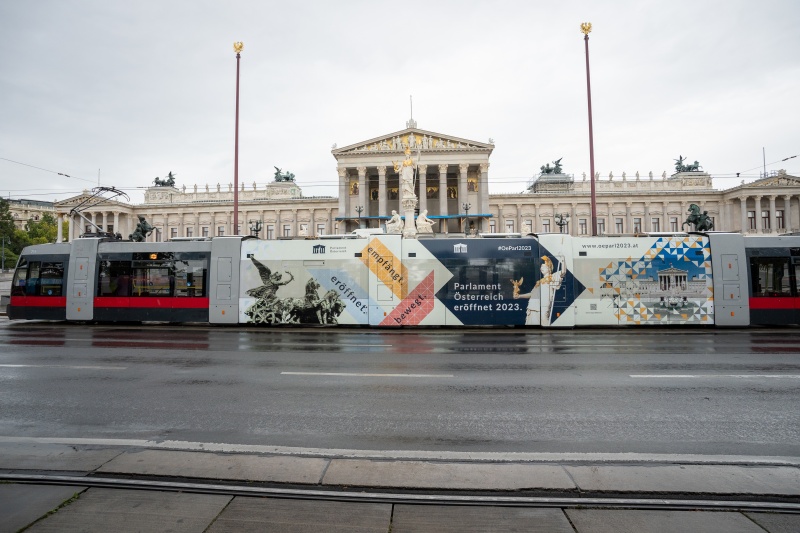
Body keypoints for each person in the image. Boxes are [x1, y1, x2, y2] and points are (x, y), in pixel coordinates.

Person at [513, 254, 566, 326]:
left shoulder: (552, 278)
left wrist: (563, 259)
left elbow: (563, 272)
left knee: (545, 322)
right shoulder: (539, 282)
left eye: (544, 266)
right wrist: (519, 296)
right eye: (541, 267)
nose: (541, 268)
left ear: (549, 269)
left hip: (543, 305)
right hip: (533, 307)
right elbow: (532, 294)